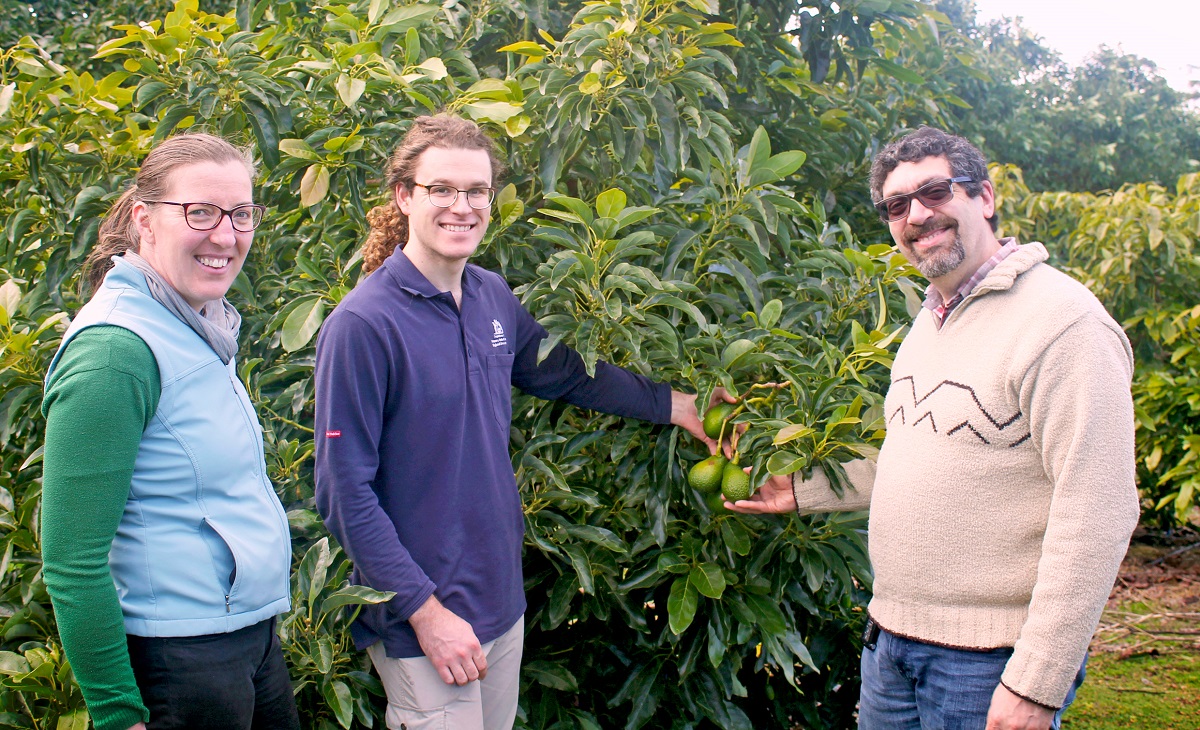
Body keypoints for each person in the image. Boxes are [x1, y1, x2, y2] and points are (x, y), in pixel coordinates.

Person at [313, 113, 716, 730]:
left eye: (476, 191)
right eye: (441, 189)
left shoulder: (490, 294)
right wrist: (425, 611)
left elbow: (568, 374)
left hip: (499, 600)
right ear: (403, 196)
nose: (462, 206)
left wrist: (679, 405)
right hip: (426, 618)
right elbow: (342, 490)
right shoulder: (364, 324)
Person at [728, 126, 1139, 730]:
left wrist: (1038, 682)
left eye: (936, 191)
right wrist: (801, 490)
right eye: (897, 205)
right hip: (891, 644)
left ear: (986, 197)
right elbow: (916, 454)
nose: (918, 215)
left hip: (986, 662)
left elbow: (1099, 508)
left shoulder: (1065, 324)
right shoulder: (931, 320)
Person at [41, 134, 299, 730]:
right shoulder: (115, 351)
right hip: (178, 662)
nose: (227, 235)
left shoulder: (192, 323)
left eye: (241, 213)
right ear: (145, 220)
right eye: (200, 212)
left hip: (243, 638)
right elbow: (71, 559)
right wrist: (116, 712)